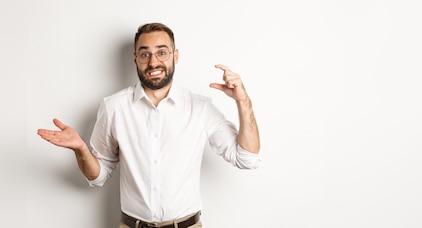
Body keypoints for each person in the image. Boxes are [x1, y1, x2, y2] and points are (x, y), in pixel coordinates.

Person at [37, 22, 261, 228]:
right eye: (145, 54)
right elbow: (98, 176)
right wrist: (81, 150)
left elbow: (247, 159)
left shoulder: (201, 108)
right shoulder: (114, 107)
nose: (154, 62)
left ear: (175, 56)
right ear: (135, 59)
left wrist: (243, 101)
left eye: (162, 52)